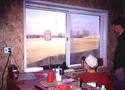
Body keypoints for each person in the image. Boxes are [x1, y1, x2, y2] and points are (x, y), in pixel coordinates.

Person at [111, 18, 125, 90]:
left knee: (121, 85)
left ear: (119, 26)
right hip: (120, 66)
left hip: (121, 66)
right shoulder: (121, 36)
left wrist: (120, 67)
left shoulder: (123, 37)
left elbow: (122, 54)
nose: (113, 29)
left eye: (114, 26)